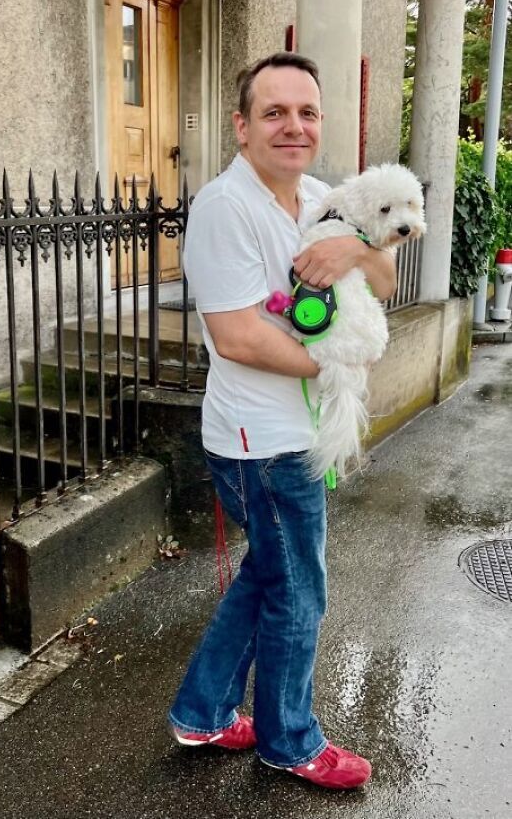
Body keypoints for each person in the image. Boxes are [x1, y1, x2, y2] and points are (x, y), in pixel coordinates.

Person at [167, 52, 396, 790]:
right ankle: (290, 739)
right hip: (259, 441)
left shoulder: (323, 200)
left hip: (295, 432)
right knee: (298, 589)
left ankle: (202, 710)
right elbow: (236, 334)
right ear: (242, 125)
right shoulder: (224, 208)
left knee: (269, 575)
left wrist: (353, 246)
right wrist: (340, 363)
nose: (293, 126)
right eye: (274, 112)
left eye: (306, 112)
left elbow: (386, 279)